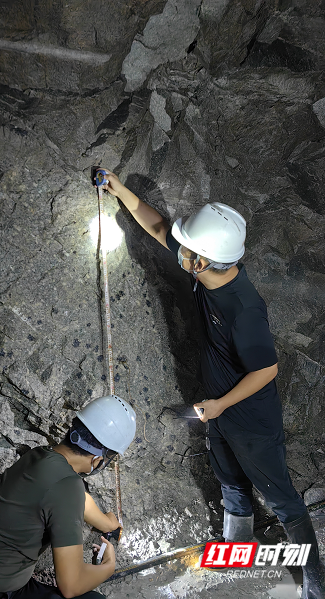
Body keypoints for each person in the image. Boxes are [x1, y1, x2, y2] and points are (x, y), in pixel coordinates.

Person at [100, 169, 325, 599]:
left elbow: (266, 370)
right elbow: (159, 227)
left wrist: (221, 405)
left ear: (202, 260)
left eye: (187, 251)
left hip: (250, 417)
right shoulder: (203, 269)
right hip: (217, 407)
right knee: (230, 479)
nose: (179, 251)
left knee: (281, 498)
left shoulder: (245, 309)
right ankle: (237, 548)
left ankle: (315, 582)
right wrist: (120, 189)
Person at [0, 395, 136, 599]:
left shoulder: (41, 457)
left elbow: (76, 500)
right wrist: (108, 567)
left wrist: (107, 523)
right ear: (98, 459)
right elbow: (71, 585)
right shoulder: (67, 486)